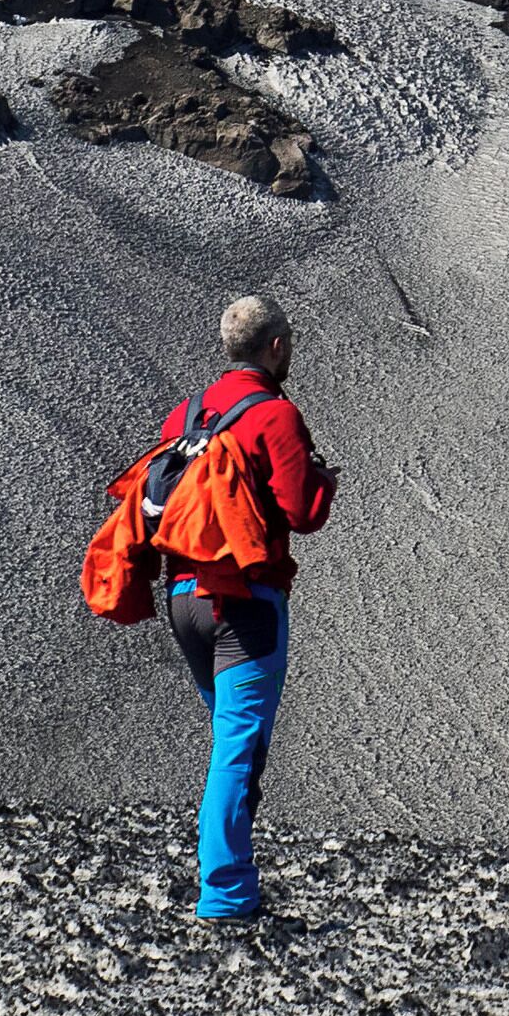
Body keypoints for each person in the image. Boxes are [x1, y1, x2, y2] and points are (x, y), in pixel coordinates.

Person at [158, 294, 337, 926]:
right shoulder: (276, 417)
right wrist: (323, 480)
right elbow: (302, 513)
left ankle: (226, 879)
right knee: (238, 746)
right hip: (244, 599)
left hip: (181, 597)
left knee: (229, 741)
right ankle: (227, 896)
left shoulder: (188, 414)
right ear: (277, 347)